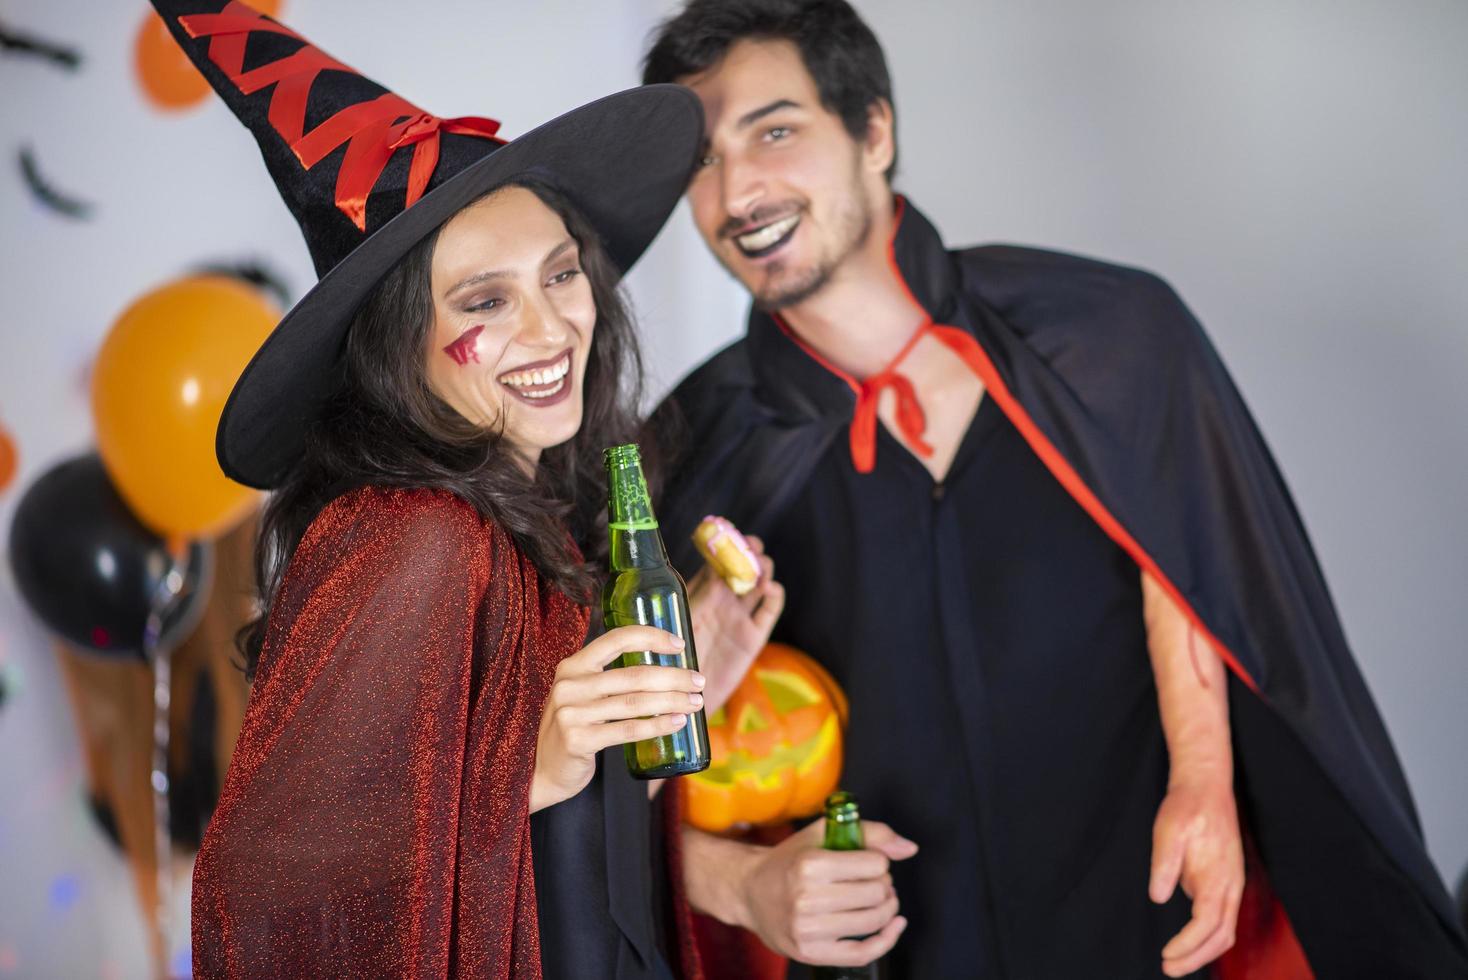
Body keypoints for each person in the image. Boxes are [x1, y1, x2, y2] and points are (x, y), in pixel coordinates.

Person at [641, 1, 1468, 977]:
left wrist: (1204, 778)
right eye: (700, 158)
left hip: (1149, 930)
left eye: (774, 130)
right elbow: (588, 796)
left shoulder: (1111, 335)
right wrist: (739, 885)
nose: (738, 188)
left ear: (872, 131)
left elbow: (1192, 546)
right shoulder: (689, 448)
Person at [149, 1, 784, 976]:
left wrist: (672, 696)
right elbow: (265, 894)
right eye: (485, 299)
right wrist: (525, 762)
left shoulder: (533, 533)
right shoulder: (410, 537)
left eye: (561, 274)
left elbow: (564, 873)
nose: (551, 327)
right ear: (398, 344)